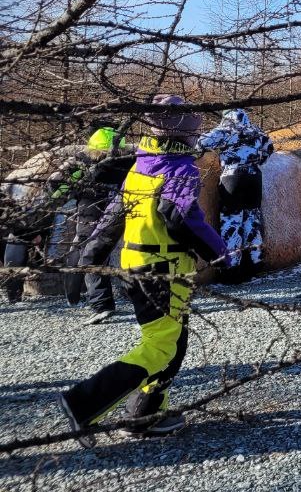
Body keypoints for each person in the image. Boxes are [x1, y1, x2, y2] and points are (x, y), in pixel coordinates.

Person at [59, 94, 227, 443]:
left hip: (135, 266)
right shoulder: (179, 168)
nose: (197, 137)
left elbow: (111, 220)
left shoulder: (140, 166)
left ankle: (146, 413)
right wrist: (218, 251)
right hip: (162, 269)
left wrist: (90, 256)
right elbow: (180, 216)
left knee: (173, 340)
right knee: (161, 346)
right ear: (182, 135)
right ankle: (82, 403)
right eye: (193, 132)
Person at [60, 123, 135, 324]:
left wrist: (68, 194)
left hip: (89, 214)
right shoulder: (128, 160)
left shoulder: (83, 160)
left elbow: (59, 183)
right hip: (120, 214)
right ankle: (134, 297)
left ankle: (98, 304)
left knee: (88, 256)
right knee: (123, 255)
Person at [197, 109, 274, 283]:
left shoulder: (225, 130)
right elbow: (270, 148)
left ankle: (232, 270)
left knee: (231, 220)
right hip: (255, 177)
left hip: (233, 177)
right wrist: (256, 160)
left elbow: (200, 143)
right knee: (251, 218)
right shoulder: (256, 131)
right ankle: (255, 264)